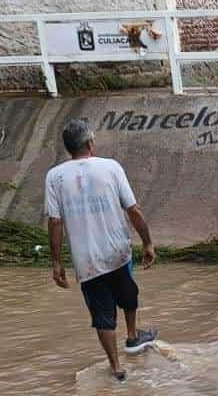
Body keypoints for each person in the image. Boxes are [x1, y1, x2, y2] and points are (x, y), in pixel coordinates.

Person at [45, 119, 157, 381]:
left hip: (86, 261)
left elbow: (55, 222)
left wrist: (57, 262)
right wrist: (147, 242)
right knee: (128, 293)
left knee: (102, 314)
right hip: (117, 251)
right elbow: (133, 210)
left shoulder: (55, 177)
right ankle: (132, 337)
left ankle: (116, 368)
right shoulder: (111, 167)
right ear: (90, 143)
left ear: (68, 148)